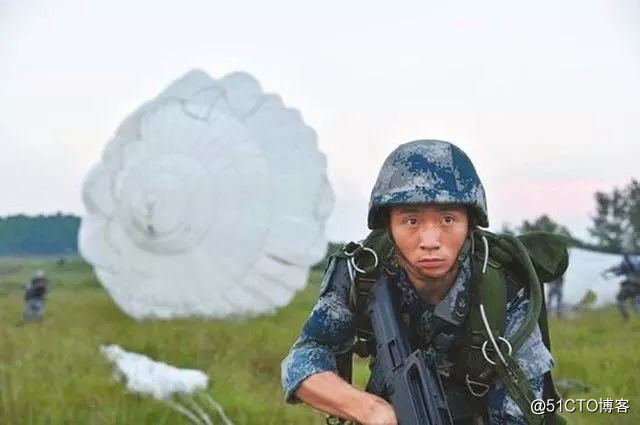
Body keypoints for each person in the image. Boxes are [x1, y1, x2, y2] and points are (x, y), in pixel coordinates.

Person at [281, 140, 565, 425]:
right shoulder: (362, 271)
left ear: (469, 224)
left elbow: (522, 414)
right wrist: (370, 410)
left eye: (448, 219)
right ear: (389, 226)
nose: (430, 242)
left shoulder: (503, 286)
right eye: (412, 221)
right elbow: (304, 358)